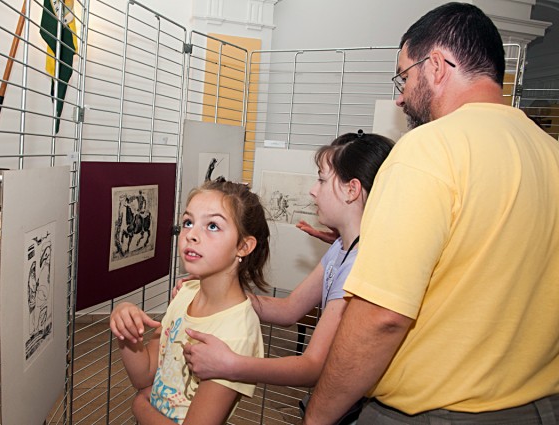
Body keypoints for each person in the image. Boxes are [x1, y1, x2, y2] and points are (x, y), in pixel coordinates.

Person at [303, 3, 559, 424]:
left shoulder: (428, 149)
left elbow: (382, 317)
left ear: (436, 66)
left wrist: (317, 416)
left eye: (404, 76)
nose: (401, 95)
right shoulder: (549, 152)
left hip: (437, 413)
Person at [180, 131, 394, 422]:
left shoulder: (361, 263)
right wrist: (216, 295)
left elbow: (312, 366)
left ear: (351, 189)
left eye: (322, 180)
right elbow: (289, 309)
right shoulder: (342, 247)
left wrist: (232, 365)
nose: (313, 191)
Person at [109, 178, 270, 424]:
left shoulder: (238, 332)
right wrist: (126, 328)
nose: (191, 235)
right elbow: (145, 375)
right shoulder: (186, 293)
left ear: (243, 246)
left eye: (213, 226)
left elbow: (144, 395)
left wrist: (140, 406)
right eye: (188, 222)